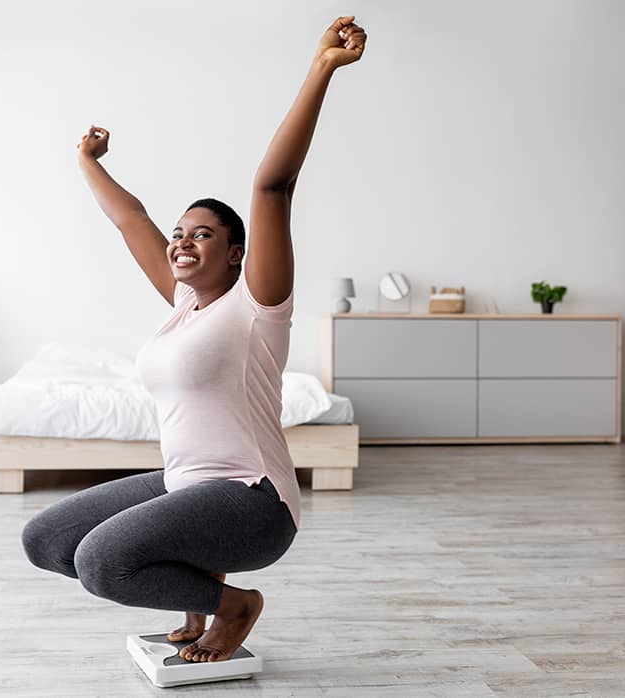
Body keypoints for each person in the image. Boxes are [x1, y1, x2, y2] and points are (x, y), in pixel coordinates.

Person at [21, 16, 367, 663]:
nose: (182, 240)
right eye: (181, 232)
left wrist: (320, 67)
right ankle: (201, 583)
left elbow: (273, 185)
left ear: (238, 254)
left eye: (202, 234)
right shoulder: (183, 304)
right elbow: (131, 221)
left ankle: (232, 604)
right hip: (186, 484)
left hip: (251, 501)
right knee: (45, 538)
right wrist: (84, 160)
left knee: (101, 561)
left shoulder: (257, 306)